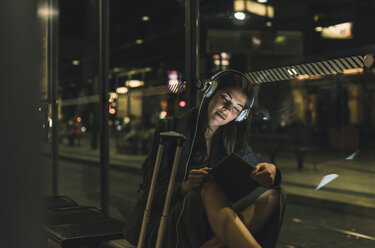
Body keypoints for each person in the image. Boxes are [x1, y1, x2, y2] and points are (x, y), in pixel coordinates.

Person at [123, 70, 285, 248]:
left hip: (209, 226)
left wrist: (271, 169)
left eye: (237, 109)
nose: (227, 109)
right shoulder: (171, 129)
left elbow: (255, 165)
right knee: (209, 188)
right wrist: (186, 187)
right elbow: (152, 193)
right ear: (210, 92)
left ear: (240, 116)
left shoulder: (232, 140)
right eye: (225, 98)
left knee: (273, 195)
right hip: (168, 223)